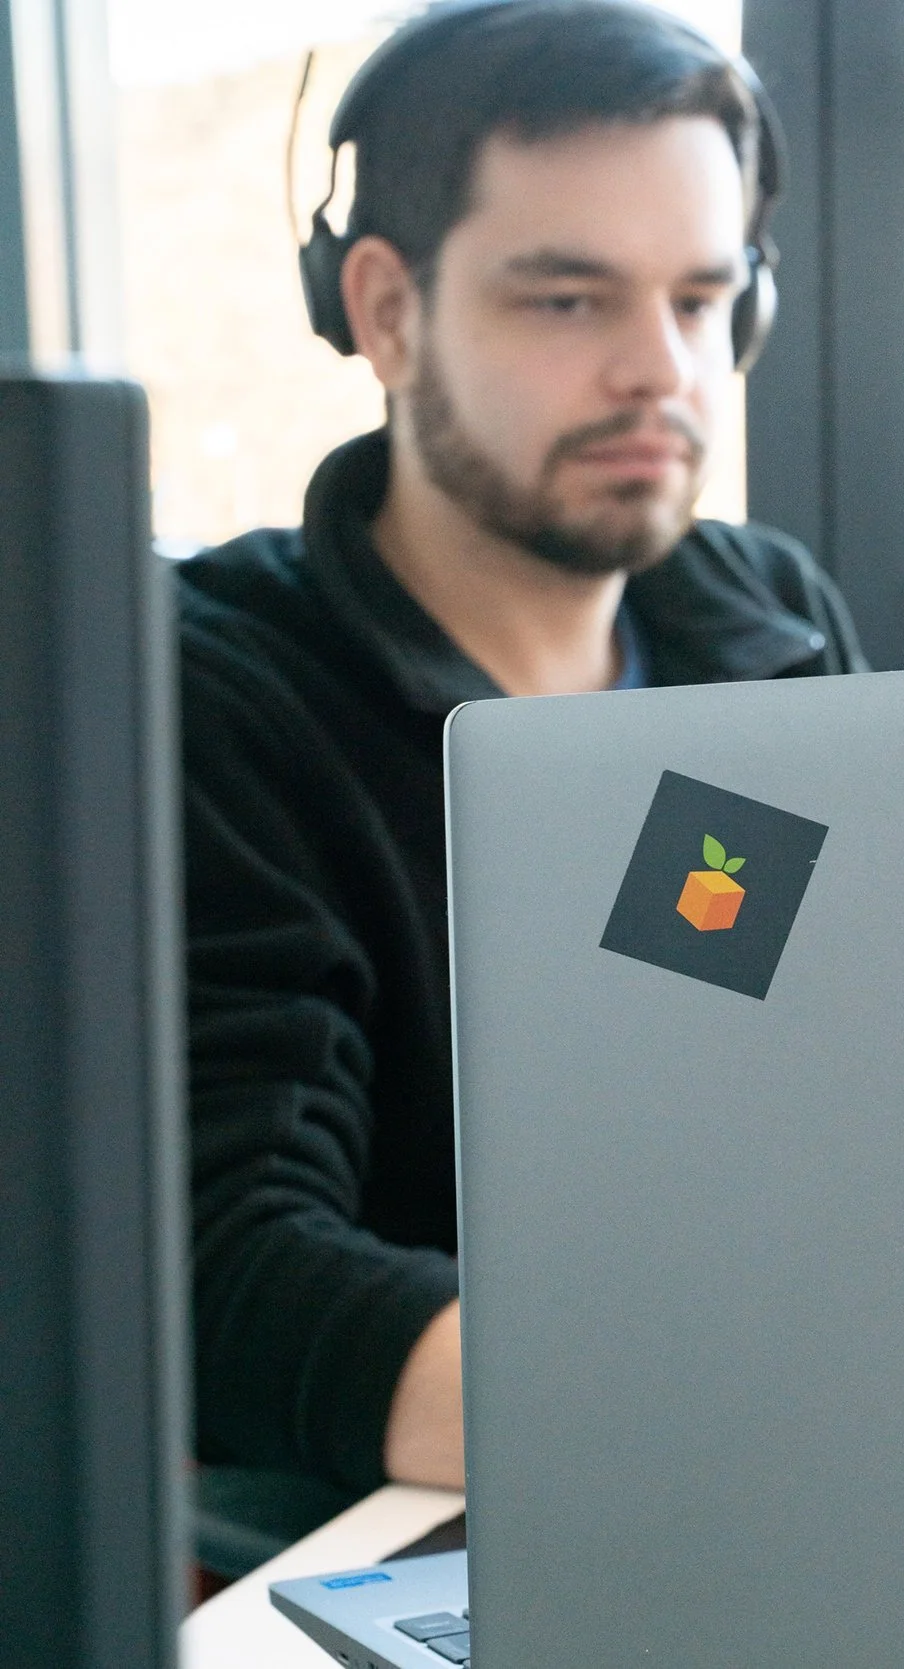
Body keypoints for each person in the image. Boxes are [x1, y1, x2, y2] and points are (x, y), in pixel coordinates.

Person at [178, 0, 867, 1501]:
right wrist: (693, 1419)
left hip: (799, 1436)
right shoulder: (211, 694)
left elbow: (894, 1068)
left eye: (699, 300)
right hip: (397, 1510)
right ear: (384, 311)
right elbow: (224, 1266)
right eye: (568, 302)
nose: (658, 373)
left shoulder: (771, 632)